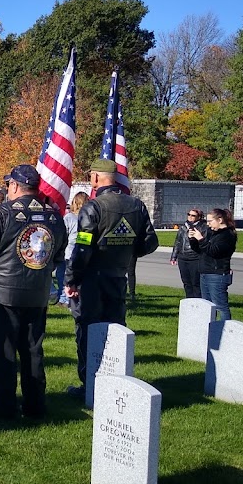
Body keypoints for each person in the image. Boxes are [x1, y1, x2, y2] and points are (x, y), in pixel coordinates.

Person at [0, 165, 66, 420]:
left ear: (16, 186)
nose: (8, 189)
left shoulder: (1, 214)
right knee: (33, 352)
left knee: (3, 353)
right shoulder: (54, 216)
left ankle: (4, 408)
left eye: (9, 185)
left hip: (4, 295)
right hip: (38, 295)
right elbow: (58, 255)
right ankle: (35, 407)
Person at [64, 159, 158, 398]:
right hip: (118, 276)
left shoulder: (93, 208)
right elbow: (150, 242)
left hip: (92, 280)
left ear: (96, 178)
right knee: (116, 330)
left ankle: (89, 385)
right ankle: (116, 380)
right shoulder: (136, 205)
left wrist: (71, 279)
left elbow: (83, 248)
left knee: (87, 331)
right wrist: (126, 253)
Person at [189, 208, 237, 320]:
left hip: (217, 274)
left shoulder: (227, 235)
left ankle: (225, 330)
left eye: (211, 221)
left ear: (220, 220)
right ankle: (210, 330)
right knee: (207, 306)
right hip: (205, 272)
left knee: (220, 306)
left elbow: (214, 251)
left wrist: (201, 239)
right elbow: (201, 250)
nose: (208, 224)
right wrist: (193, 240)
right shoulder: (211, 233)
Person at [53, 192, 88, 306]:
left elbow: (64, 234)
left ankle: (64, 298)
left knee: (62, 275)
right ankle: (72, 296)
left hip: (68, 253)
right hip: (81, 252)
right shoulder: (87, 218)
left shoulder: (69, 217)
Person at [172, 208, 207, 298]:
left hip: (195, 257)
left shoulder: (202, 227)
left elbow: (203, 242)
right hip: (183, 257)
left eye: (193, 215)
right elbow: (178, 242)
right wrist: (174, 256)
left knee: (195, 282)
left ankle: (197, 300)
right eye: (189, 214)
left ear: (199, 217)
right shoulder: (184, 226)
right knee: (186, 282)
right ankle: (189, 300)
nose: (190, 217)